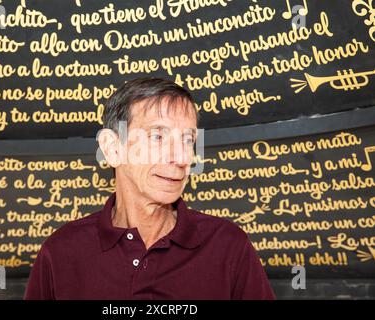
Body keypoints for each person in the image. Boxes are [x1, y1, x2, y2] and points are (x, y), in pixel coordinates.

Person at [24, 77, 275, 299]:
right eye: (158, 136)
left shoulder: (228, 247)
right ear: (112, 149)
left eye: (188, 140)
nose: (181, 158)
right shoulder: (60, 254)